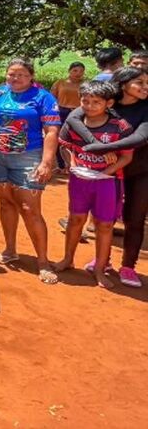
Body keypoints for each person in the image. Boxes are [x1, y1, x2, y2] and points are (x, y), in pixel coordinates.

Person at [0, 58, 60, 285]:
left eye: (21, 74)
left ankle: (43, 261)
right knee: (5, 203)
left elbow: (51, 131)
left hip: (29, 157)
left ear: (31, 75)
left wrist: (46, 162)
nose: (15, 78)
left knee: (30, 209)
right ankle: (10, 250)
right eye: (11, 74)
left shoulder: (43, 97)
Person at [65, 67, 148, 287]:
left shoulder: (140, 111)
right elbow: (73, 120)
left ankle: (127, 266)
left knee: (132, 218)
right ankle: (99, 261)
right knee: (94, 219)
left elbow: (140, 137)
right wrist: (95, 147)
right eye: (140, 82)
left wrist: (103, 149)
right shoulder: (103, 98)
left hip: (135, 171)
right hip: (97, 175)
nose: (145, 87)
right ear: (123, 84)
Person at [54, 81, 133, 288]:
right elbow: (65, 146)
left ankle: (99, 268)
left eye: (95, 102)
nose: (89, 106)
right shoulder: (73, 123)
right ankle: (67, 259)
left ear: (109, 103)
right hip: (79, 180)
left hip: (108, 182)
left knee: (104, 225)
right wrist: (71, 162)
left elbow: (126, 157)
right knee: (75, 220)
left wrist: (104, 173)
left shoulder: (120, 127)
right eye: (85, 101)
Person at [51, 62, 86, 169]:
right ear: (69, 71)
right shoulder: (60, 83)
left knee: (77, 139)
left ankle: (76, 163)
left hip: (79, 113)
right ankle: (61, 164)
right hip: (61, 112)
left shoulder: (85, 84)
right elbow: (52, 98)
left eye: (81, 71)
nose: (78, 73)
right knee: (59, 138)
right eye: (75, 70)